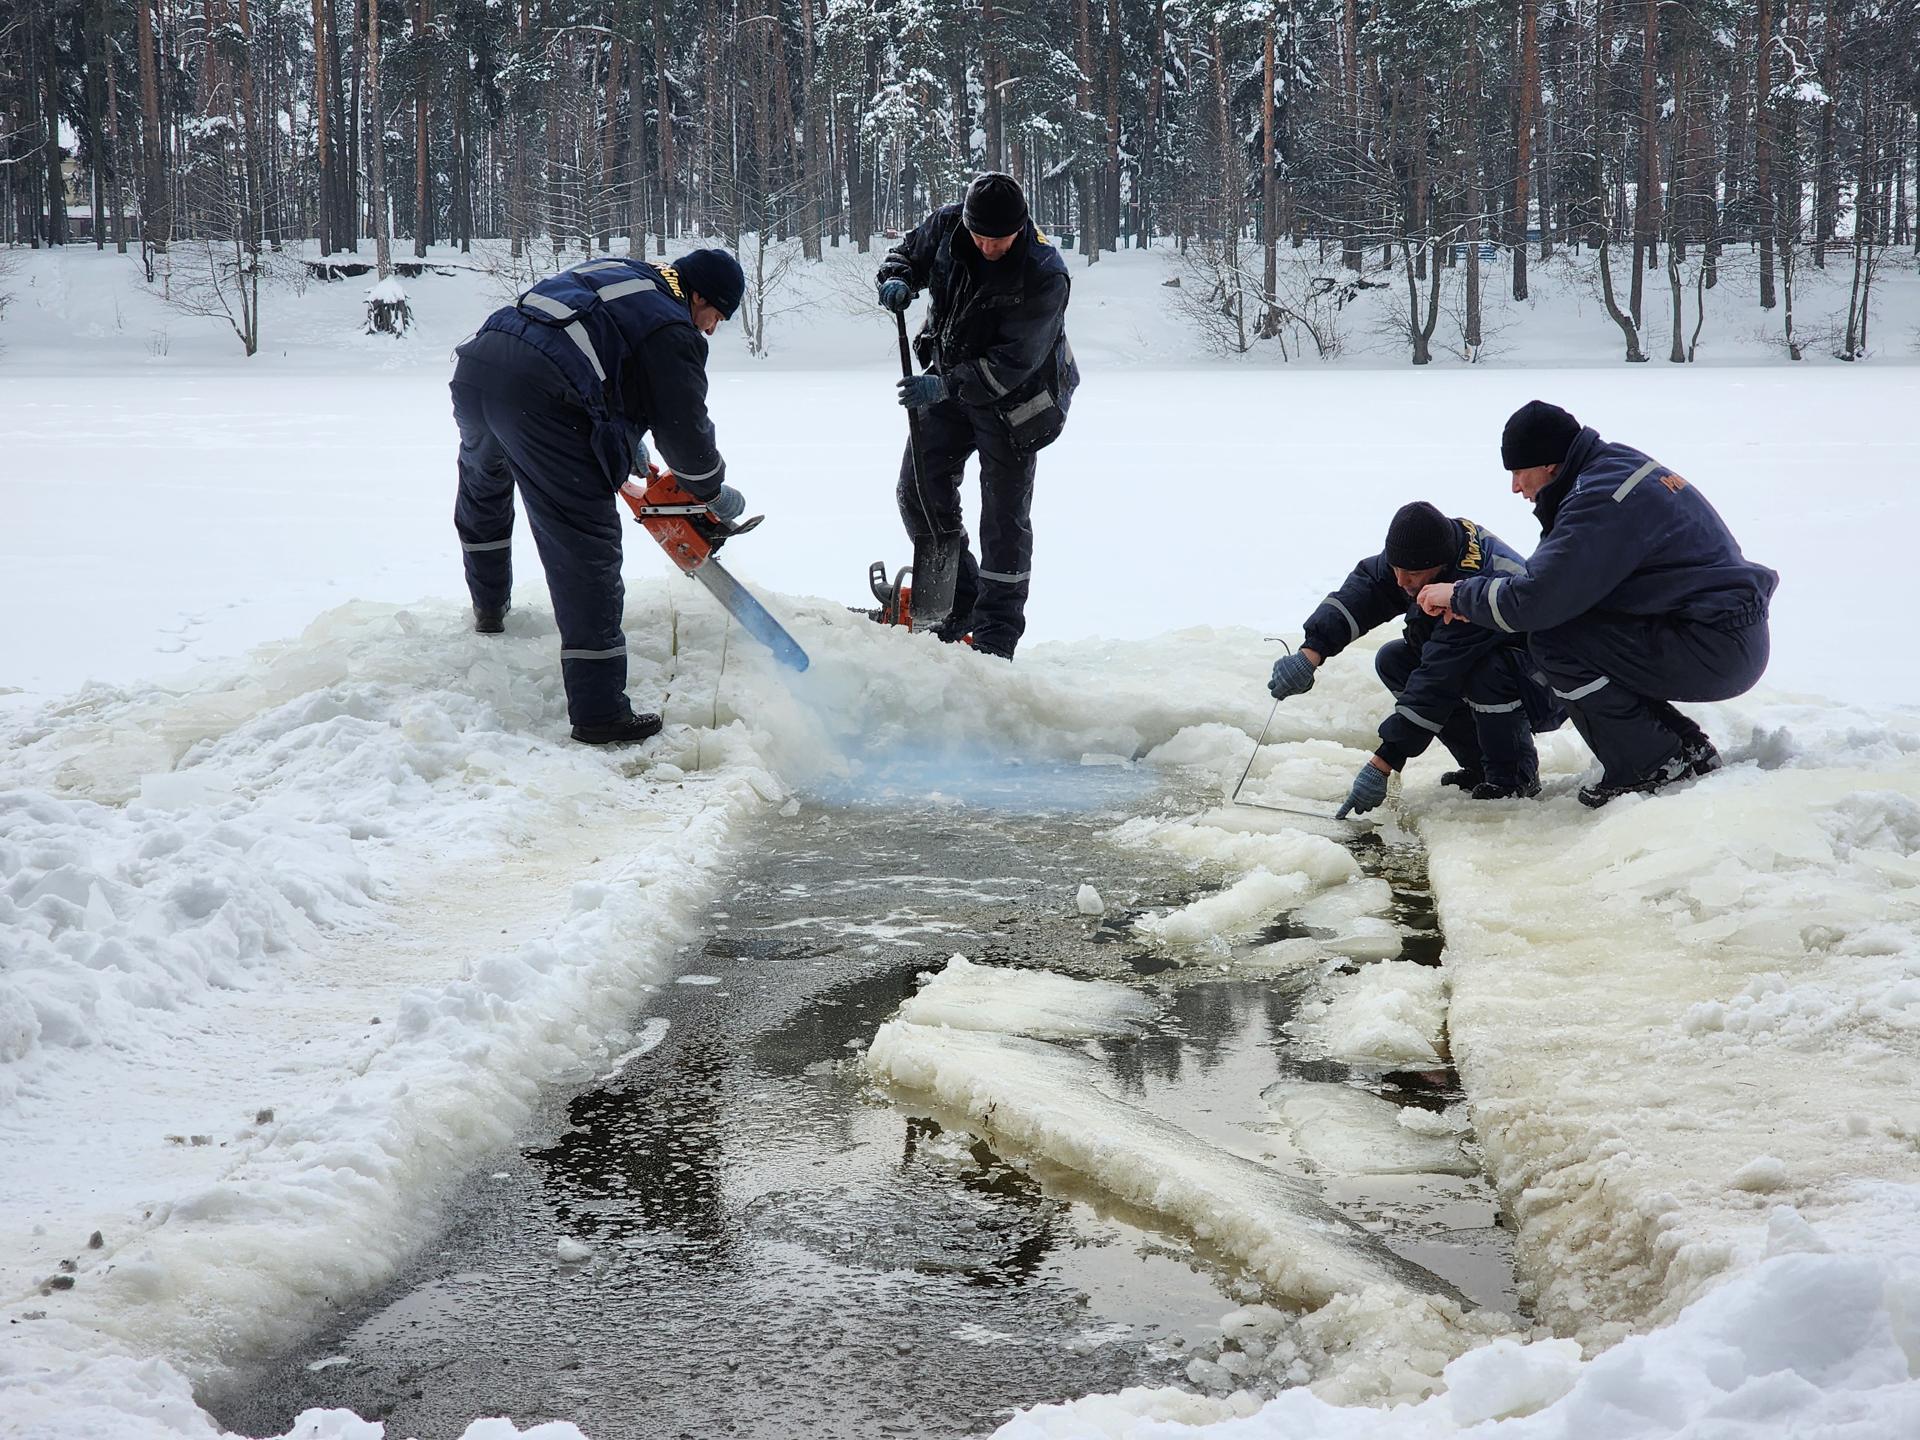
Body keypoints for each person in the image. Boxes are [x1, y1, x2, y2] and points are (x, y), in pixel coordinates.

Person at [450, 249, 747, 745]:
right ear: (698, 296)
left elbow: (591, 344)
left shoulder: (624, 272)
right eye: (716, 315)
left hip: (482, 364)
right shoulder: (672, 328)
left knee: (484, 486)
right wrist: (710, 490)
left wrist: (619, 434)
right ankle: (600, 713)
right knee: (584, 541)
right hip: (543, 394)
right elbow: (685, 435)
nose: (712, 329)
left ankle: (489, 607)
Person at [1417, 401, 1779, 807]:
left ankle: (1650, 764)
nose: (1516, 487)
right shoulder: (1610, 469)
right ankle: (1682, 749)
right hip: (1715, 631)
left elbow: (1538, 600)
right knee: (1574, 625)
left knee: (1555, 639)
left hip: (1716, 645)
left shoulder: (1602, 498)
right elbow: (1558, 582)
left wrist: (1459, 594)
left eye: (1519, 472)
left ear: (1549, 464)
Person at [876, 172, 1078, 660]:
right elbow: (906, 255)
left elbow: (1014, 362)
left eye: (999, 239)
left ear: (1020, 227)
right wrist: (897, 278)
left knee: (1003, 519)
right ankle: (957, 598)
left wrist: (945, 385)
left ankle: (995, 636)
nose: (988, 247)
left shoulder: (1044, 272)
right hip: (951, 377)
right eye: (980, 236)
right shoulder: (949, 227)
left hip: (1018, 400)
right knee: (918, 488)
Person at [1268, 502, 1563, 820]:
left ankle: (1514, 777)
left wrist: (1385, 761)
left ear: (1440, 565)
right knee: (1393, 660)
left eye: (1411, 574)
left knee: (1484, 672)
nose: (1400, 581)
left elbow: (1438, 678)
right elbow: (1367, 590)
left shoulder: (1475, 581)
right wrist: (1311, 651)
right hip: (1482, 660)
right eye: (1395, 568)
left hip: (1544, 679)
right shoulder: (1417, 553)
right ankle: (1480, 766)